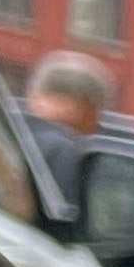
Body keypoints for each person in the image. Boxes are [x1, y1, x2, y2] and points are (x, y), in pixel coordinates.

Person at [18, 47, 112, 198]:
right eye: (98, 110)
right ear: (81, 106)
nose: (98, 124)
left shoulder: (1, 131)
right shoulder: (67, 154)